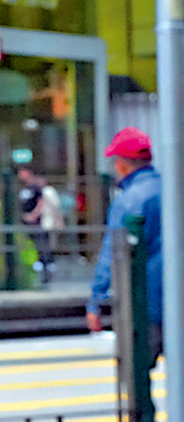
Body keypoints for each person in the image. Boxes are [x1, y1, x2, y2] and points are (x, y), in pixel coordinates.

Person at [86, 128, 162, 370]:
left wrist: (96, 301)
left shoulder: (128, 200)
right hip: (174, 299)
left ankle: (145, 410)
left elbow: (112, 253)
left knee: (136, 372)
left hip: (144, 302)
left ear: (123, 165)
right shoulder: (172, 190)